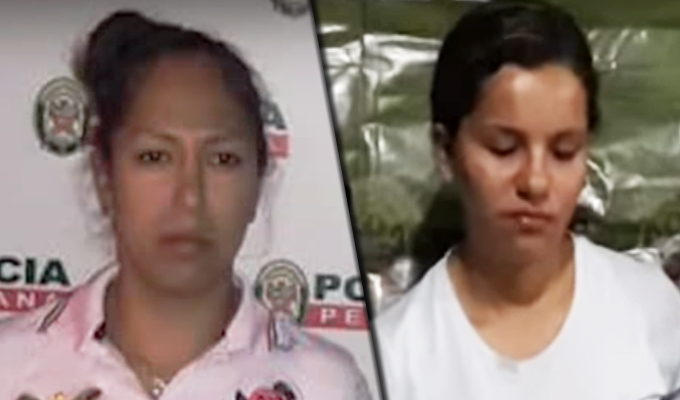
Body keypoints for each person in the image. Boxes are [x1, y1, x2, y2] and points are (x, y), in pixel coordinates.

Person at [0, 10, 372, 400]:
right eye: (155, 157)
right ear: (105, 179)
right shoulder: (11, 366)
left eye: (222, 159)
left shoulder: (325, 385)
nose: (190, 196)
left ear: (257, 183)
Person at [374, 1, 680, 400]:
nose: (535, 182)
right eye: (504, 148)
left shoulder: (652, 311)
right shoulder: (393, 358)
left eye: (564, 151)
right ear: (446, 151)